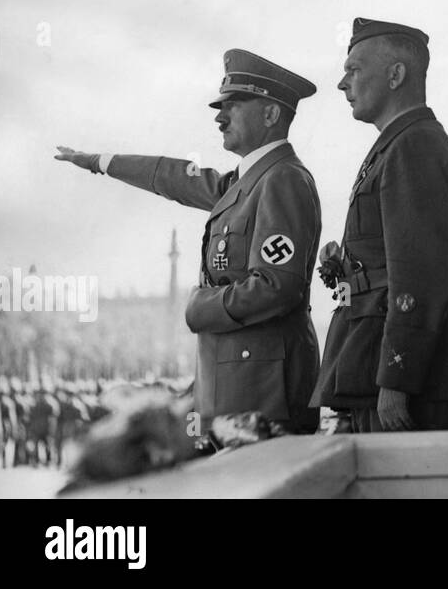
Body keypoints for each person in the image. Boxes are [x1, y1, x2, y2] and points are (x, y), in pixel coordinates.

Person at [56, 49, 323, 434]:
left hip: (264, 396)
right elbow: (174, 176)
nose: (219, 117)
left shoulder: (282, 179)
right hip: (240, 389)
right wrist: (101, 161)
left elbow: (277, 286)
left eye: (233, 104)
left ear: (270, 114)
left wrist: (200, 307)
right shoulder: (247, 182)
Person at [312, 18, 448, 432]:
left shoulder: (412, 145)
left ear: (396, 74)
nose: (342, 83)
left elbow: (419, 276)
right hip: (387, 361)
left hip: (412, 379)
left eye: (354, 69)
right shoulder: (400, 142)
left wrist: (397, 379)